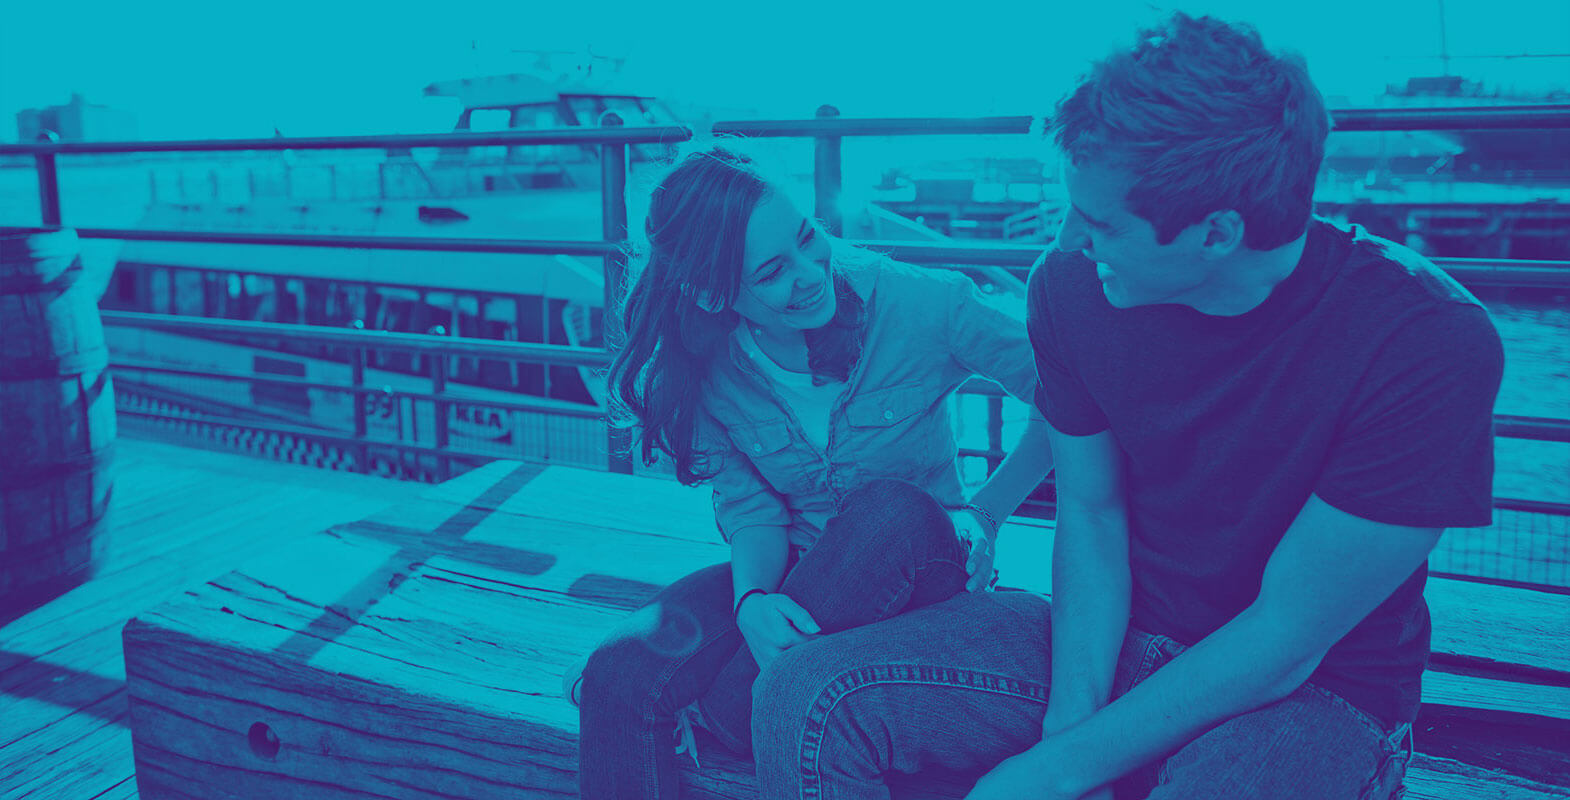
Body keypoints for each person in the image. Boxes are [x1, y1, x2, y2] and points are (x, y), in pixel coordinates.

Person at [749, 13, 1503, 800]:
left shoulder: (1426, 343)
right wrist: (1069, 727)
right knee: (804, 696)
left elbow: (1286, 638)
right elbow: (1093, 508)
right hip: (1110, 639)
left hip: (1312, 694)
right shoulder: (1071, 289)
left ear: (1216, 234)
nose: (1069, 239)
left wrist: (1051, 771)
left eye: (1100, 222)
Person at [573, 145, 1056, 799]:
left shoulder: (920, 302)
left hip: (923, 573)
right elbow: (754, 513)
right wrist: (751, 604)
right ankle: (742, 698)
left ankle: (730, 711)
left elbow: (1066, 397)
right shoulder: (708, 364)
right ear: (714, 294)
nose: (809, 273)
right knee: (615, 672)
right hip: (803, 573)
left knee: (889, 510)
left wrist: (986, 513)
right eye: (772, 271)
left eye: (807, 237)